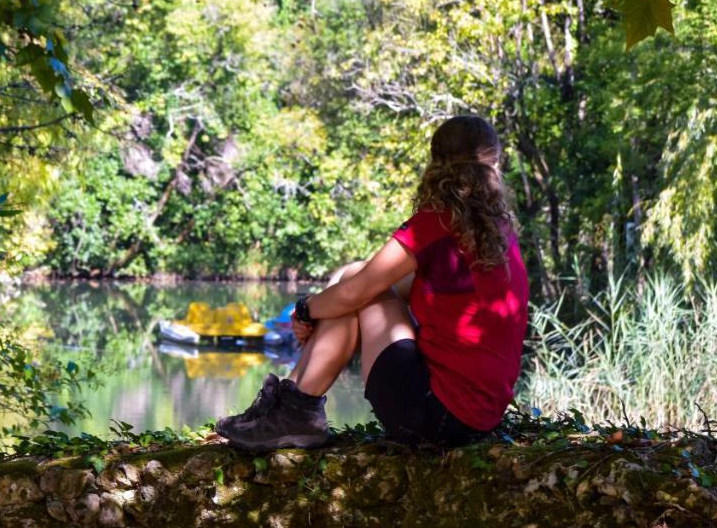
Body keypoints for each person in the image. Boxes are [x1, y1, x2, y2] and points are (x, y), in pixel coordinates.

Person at [216, 116, 529, 451]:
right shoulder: (496, 234)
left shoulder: (436, 224)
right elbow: (392, 287)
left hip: (432, 416)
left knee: (353, 284)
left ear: (436, 165)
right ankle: (289, 403)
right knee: (354, 282)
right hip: (475, 420)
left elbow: (357, 290)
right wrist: (330, 300)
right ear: (494, 165)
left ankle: (296, 409)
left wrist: (306, 309)